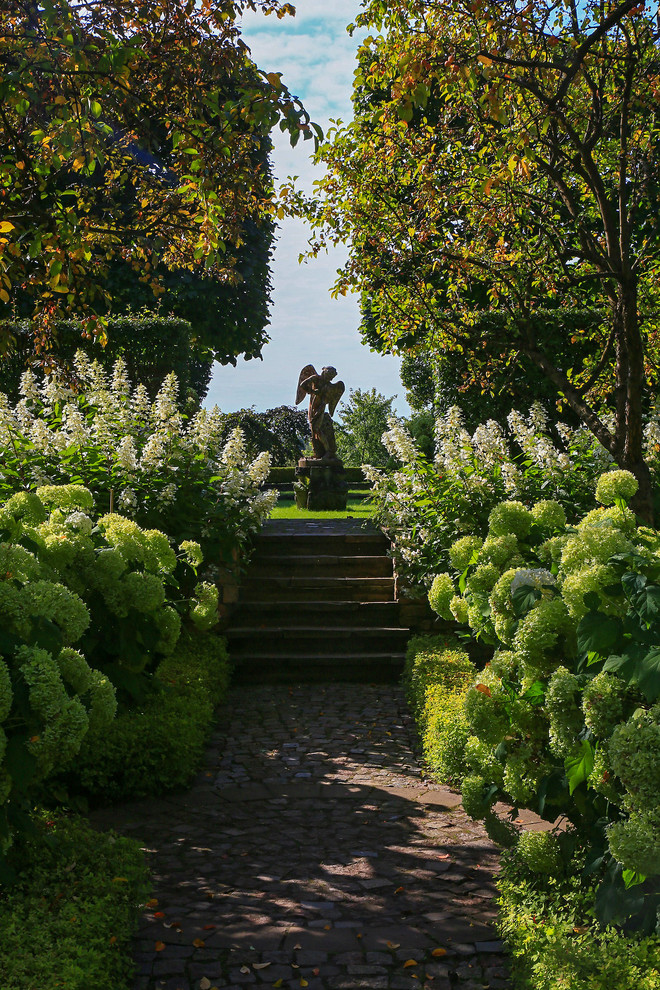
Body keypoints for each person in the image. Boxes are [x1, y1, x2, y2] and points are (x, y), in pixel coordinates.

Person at [296, 364, 345, 459]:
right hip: (313, 407)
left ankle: (329, 451)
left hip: (320, 407)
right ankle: (318, 453)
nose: (329, 377)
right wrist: (313, 391)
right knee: (313, 430)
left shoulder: (329, 385)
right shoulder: (315, 378)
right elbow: (303, 385)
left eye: (331, 376)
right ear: (323, 371)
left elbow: (328, 399)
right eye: (328, 374)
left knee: (317, 429)